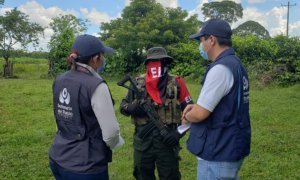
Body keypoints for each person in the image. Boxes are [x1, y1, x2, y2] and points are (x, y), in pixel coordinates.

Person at [182, 19, 251, 180]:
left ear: (211, 40)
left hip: (218, 150)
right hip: (232, 143)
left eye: (201, 40)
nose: (200, 46)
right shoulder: (236, 65)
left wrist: (187, 116)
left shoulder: (220, 69)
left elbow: (200, 114)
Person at [49, 34, 124, 180]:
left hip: (57, 158)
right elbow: (110, 132)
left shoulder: (59, 80)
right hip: (86, 167)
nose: (104, 60)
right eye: (103, 55)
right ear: (96, 58)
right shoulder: (96, 86)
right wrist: (116, 143)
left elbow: (60, 120)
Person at [120, 47, 193, 180]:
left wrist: (178, 133)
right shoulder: (137, 84)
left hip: (167, 141)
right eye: (153, 61)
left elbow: (191, 113)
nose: (157, 65)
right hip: (142, 142)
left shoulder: (177, 83)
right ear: (147, 64)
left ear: (166, 63)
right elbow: (122, 107)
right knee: (142, 175)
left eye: (161, 61)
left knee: (170, 176)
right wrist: (131, 108)